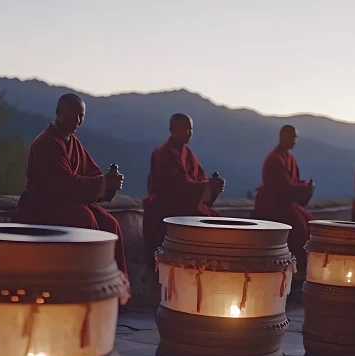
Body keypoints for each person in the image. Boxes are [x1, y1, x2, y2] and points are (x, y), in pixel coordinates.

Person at [13, 94, 128, 295]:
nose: (78, 121)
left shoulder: (72, 142)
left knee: (111, 224)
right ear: (58, 113)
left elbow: (91, 174)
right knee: (85, 218)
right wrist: (102, 183)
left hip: (67, 201)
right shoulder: (47, 142)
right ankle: (86, 289)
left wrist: (109, 182)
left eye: (81, 116)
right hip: (42, 205)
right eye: (73, 115)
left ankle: (115, 292)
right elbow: (63, 183)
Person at [142, 114, 225, 264]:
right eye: (183, 129)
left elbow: (199, 179)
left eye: (190, 129)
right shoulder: (164, 153)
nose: (188, 133)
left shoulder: (189, 154)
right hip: (166, 207)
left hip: (188, 204)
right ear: (172, 130)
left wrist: (213, 187)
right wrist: (207, 186)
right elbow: (177, 186)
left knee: (218, 222)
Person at [253, 125, 314, 268]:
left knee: (311, 224)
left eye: (296, 137)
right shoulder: (275, 158)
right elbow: (282, 187)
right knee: (300, 229)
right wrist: (303, 189)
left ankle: (303, 266)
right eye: (293, 137)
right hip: (273, 203)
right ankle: (292, 266)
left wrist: (305, 187)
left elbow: (293, 182)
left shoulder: (289, 158)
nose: (295, 141)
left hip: (286, 202)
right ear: (283, 137)